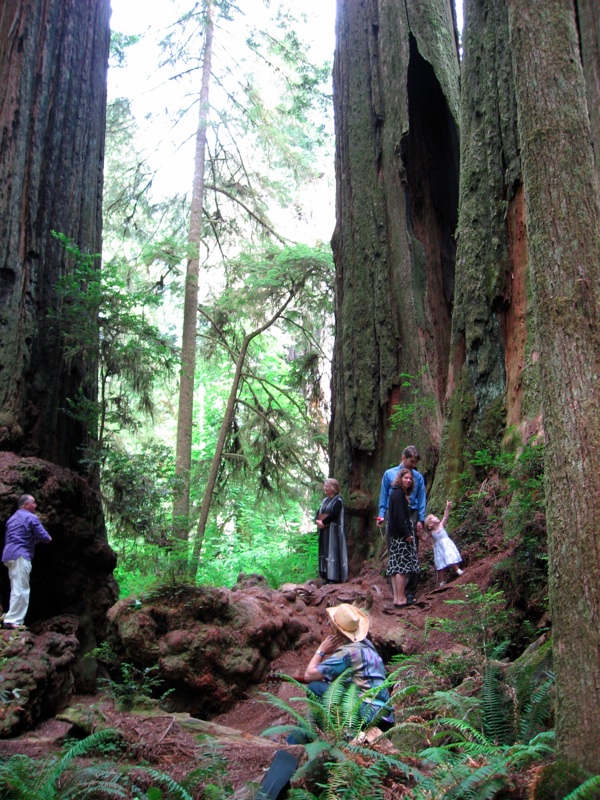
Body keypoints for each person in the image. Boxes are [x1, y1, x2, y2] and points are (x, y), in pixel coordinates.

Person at [301, 603, 394, 733]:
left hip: (367, 713)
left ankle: (329, 731)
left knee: (314, 687)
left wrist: (321, 650)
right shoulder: (368, 645)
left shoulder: (347, 652)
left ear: (336, 630)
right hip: (386, 715)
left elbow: (309, 675)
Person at [377, 445, 426, 602]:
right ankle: (397, 593)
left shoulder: (417, 477)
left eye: (414, 462)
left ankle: (409, 591)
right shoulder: (389, 474)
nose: (413, 465)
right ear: (403, 458)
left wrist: (421, 520)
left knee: (411, 554)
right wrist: (381, 515)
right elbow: (384, 496)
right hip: (395, 516)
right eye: (411, 461)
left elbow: (421, 499)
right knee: (395, 553)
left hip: (412, 514)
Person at [1, 495, 52, 630]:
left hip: (9, 555)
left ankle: (12, 618)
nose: (35, 505)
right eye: (33, 503)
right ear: (26, 504)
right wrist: (48, 538)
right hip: (20, 555)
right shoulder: (31, 517)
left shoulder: (11, 519)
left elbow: (11, 538)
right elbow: (44, 536)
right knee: (22, 589)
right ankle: (13, 620)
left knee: (16, 588)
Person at [386, 469, 419, 607]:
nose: (408, 480)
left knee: (395, 566)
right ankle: (401, 598)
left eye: (410, 479)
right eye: (406, 478)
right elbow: (399, 517)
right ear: (400, 478)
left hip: (396, 535)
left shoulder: (397, 493)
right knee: (402, 567)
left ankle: (396, 598)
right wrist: (407, 534)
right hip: (401, 536)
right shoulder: (398, 494)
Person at [315, 479, 348, 584]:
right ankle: (325, 574)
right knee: (324, 552)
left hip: (333, 533)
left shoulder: (338, 500)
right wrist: (317, 520)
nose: (325, 488)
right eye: (325, 486)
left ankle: (334, 577)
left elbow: (334, 514)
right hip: (324, 531)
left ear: (333, 488)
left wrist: (323, 522)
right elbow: (318, 511)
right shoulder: (324, 501)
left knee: (333, 552)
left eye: (327, 486)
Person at [424, 501, 464, 587]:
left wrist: (447, 507)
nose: (436, 517)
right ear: (430, 524)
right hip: (439, 549)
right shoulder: (431, 533)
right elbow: (424, 540)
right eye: (433, 517)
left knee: (450, 557)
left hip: (447, 546)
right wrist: (419, 535)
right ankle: (442, 581)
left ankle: (457, 569)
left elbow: (445, 516)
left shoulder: (441, 526)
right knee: (440, 564)